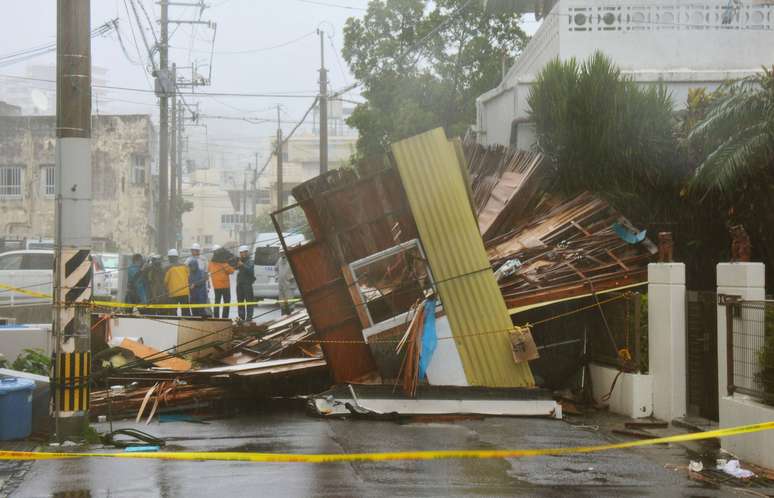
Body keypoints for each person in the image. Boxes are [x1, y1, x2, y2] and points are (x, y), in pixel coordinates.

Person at [208, 245, 236, 318]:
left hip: (216, 286)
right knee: (226, 302)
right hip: (225, 285)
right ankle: (224, 317)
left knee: (217, 302)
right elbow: (231, 271)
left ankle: (216, 317)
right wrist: (231, 264)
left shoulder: (211, 263)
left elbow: (209, 269)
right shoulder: (224, 263)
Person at [164, 248, 190, 316]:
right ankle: (187, 323)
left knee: (173, 313)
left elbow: (165, 281)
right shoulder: (184, 266)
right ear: (177, 257)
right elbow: (189, 276)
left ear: (170, 257)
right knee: (186, 312)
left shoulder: (168, 268)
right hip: (184, 292)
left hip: (173, 293)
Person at [235, 245, 256, 321]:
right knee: (240, 302)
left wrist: (242, 265)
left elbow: (250, 270)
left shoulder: (250, 261)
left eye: (243, 252)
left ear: (247, 253)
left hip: (247, 285)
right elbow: (234, 268)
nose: (242, 254)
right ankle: (241, 317)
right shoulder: (240, 261)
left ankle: (249, 317)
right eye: (241, 253)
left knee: (249, 301)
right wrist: (236, 264)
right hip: (239, 284)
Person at [276, 249, 293, 316]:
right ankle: (283, 313)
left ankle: (291, 313)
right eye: (281, 253)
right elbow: (276, 269)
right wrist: (276, 277)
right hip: (280, 283)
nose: (282, 254)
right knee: (282, 299)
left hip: (289, 283)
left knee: (289, 299)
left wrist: (291, 277)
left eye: (283, 252)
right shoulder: (279, 260)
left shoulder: (290, 259)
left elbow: (295, 268)